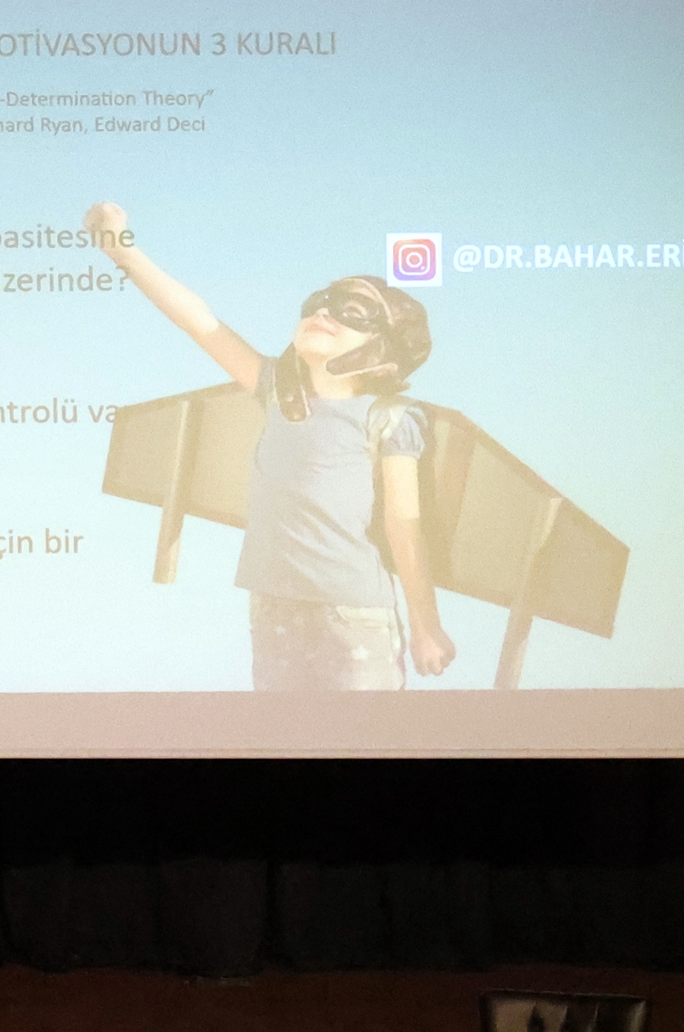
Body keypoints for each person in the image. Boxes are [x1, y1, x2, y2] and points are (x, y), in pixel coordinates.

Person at [86, 200, 453, 691]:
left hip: (354, 614)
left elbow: (404, 526)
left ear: (384, 345)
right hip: (272, 605)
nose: (324, 313)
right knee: (282, 730)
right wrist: (122, 251)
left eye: (352, 311)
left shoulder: (390, 417)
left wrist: (426, 626)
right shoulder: (277, 392)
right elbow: (200, 322)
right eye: (318, 304)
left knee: (363, 732)